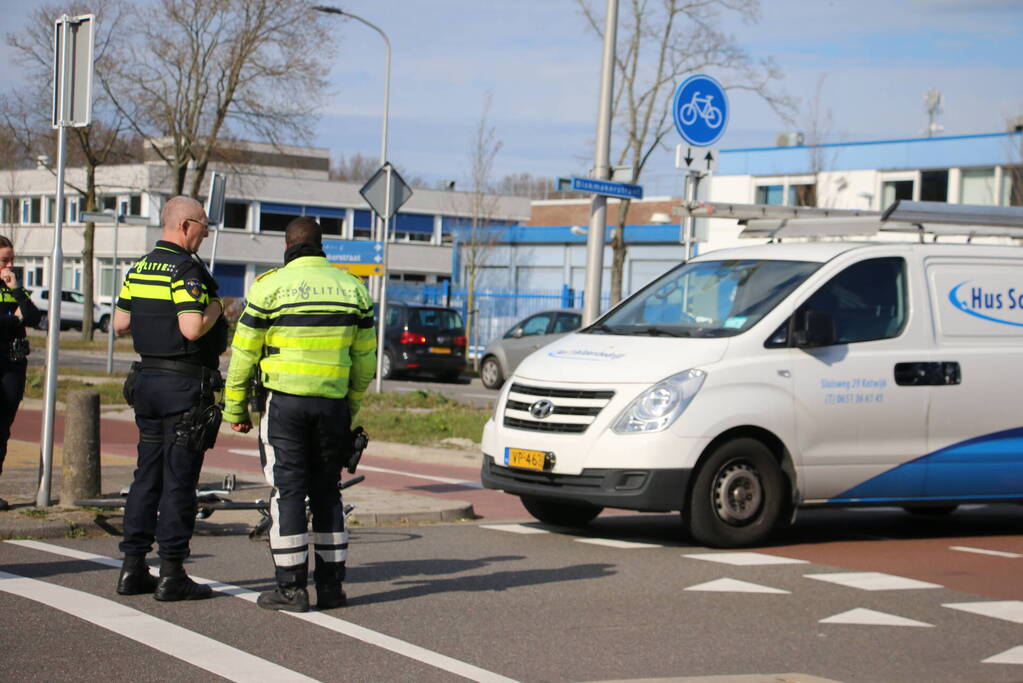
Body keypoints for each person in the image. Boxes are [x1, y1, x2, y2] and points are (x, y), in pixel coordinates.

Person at [223, 216, 376, 613]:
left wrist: (235, 407)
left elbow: (243, 354)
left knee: (288, 492)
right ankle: (331, 588)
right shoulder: (354, 290)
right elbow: (365, 361)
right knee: (327, 492)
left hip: (285, 405)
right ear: (322, 245)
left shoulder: (269, 287)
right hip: (333, 405)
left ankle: (291, 589)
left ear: (287, 247)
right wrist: (349, 406)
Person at [112, 196, 228, 601]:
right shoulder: (186, 270)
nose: (207, 232)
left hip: (146, 384)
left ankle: (132, 567)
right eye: (203, 225)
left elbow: (120, 323)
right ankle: (173, 573)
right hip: (183, 389)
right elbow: (193, 328)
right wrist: (216, 307)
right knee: (179, 481)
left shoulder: (140, 267)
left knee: (146, 477)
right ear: (184, 226)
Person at [0, 236, 40, 510]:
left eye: (12, 259)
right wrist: (14, 319)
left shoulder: (13, 287)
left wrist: (18, 293)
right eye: (4, 260)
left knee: (3, 431)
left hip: (14, 365)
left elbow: (35, 317)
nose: (10, 265)